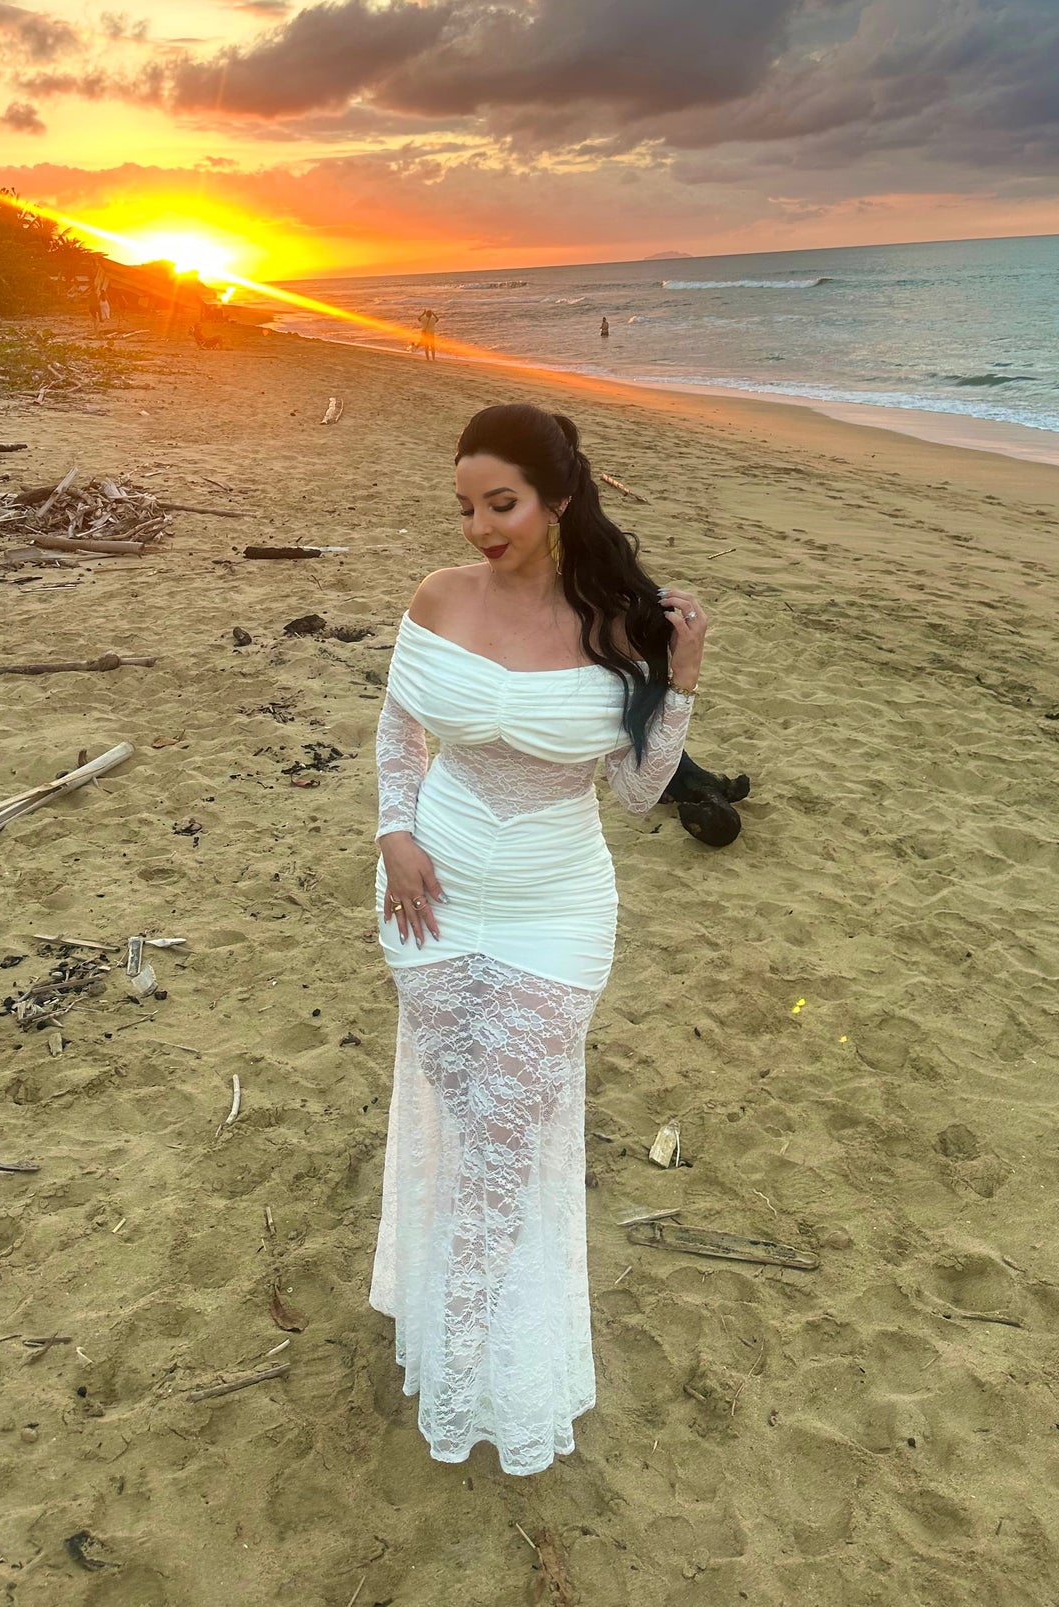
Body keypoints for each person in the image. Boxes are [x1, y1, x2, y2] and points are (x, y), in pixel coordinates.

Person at [370, 402, 708, 1475]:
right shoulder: (437, 596)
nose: (479, 528)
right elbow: (399, 727)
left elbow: (638, 793)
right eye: (465, 507)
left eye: (501, 504)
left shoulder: (617, 626)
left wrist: (681, 683)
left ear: (557, 500)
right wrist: (392, 835)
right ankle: (445, 1330)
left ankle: (472, 1361)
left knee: (502, 1140)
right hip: (430, 897)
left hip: (557, 908)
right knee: (465, 1122)